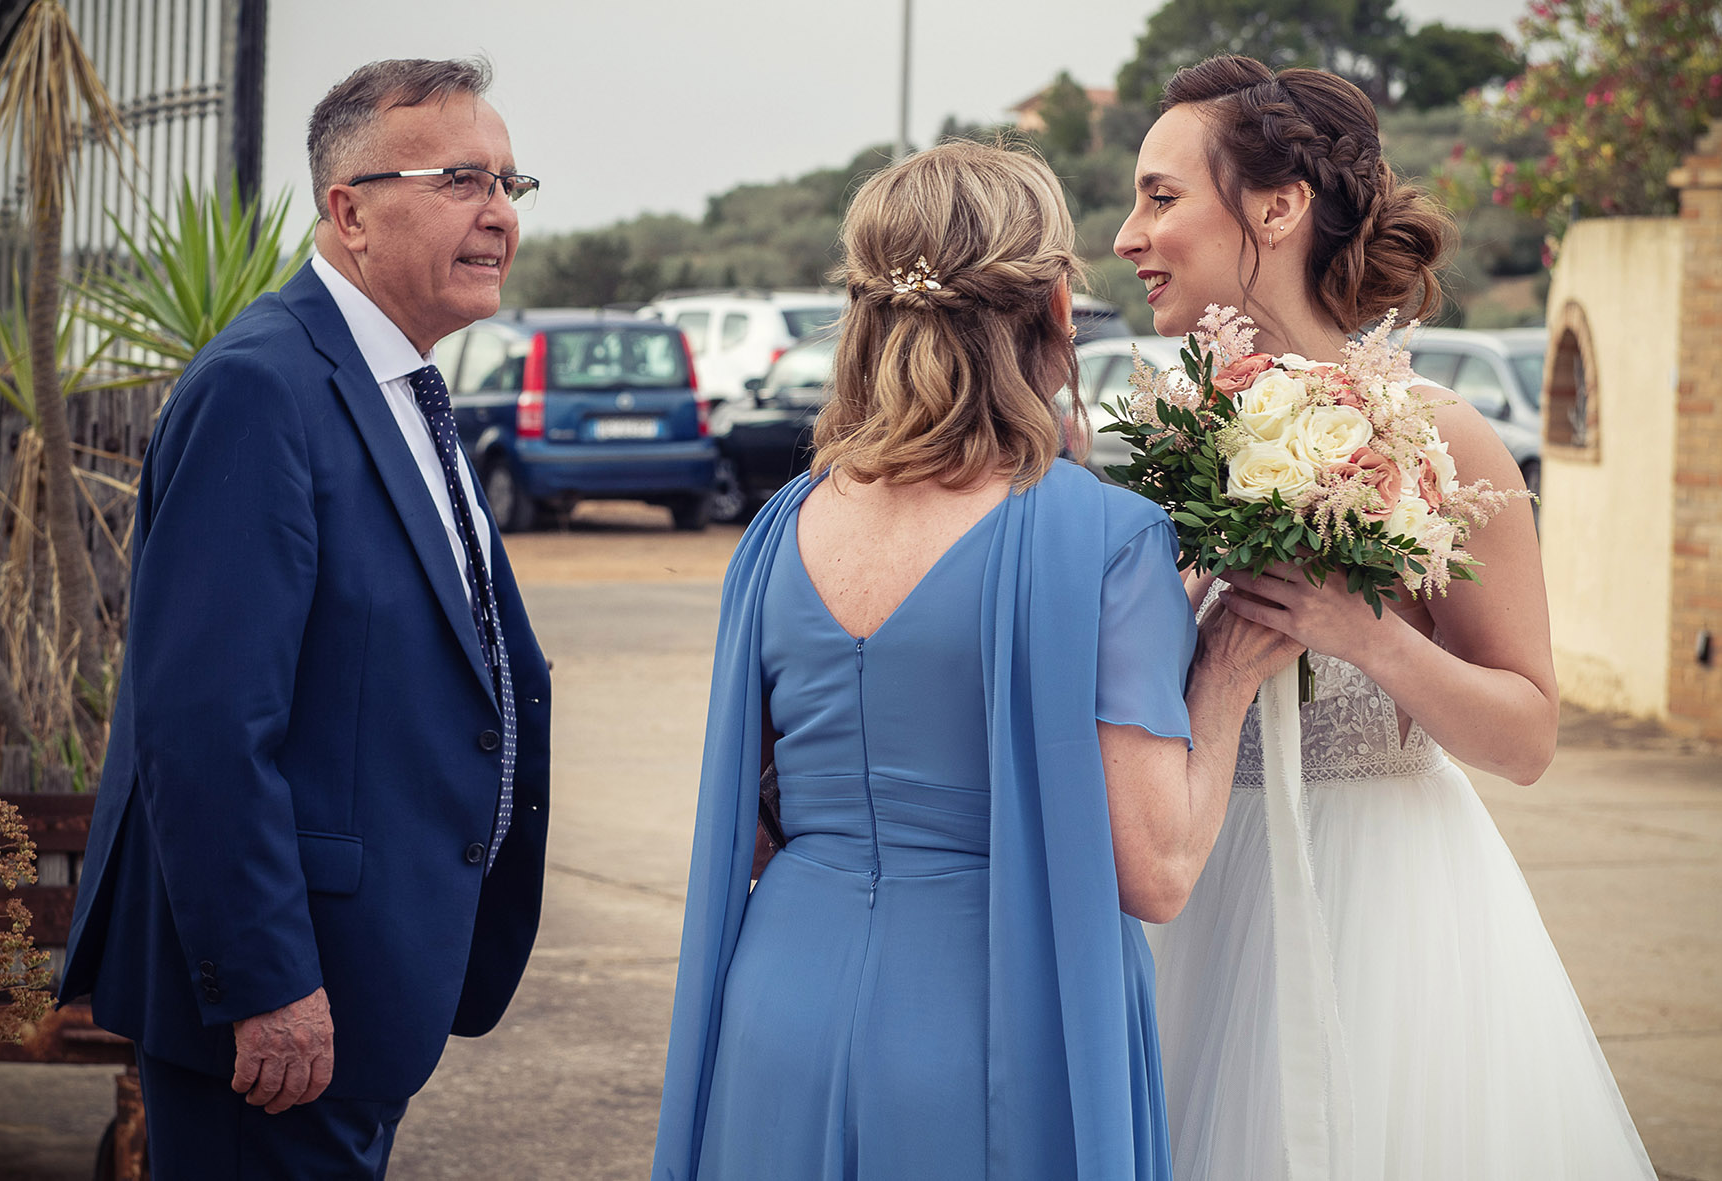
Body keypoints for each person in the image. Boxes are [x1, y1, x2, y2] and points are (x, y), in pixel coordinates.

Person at [650, 140, 1299, 1181]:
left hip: (778, 1007)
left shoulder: (777, 530)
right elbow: (1155, 870)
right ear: (1051, 308)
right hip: (995, 1020)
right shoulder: (1107, 537)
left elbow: (761, 813)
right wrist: (1222, 667)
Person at [1114, 54, 1656, 1180]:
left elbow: (1527, 736)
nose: (1126, 235)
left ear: (1277, 205)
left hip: (1392, 923)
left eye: (1160, 196)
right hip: (1191, 889)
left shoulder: (1440, 435)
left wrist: (1365, 634)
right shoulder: (1171, 438)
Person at [60, 58, 550, 1178]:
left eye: (511, 185)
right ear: (350, 209)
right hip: (283, 1012)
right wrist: (269, 978)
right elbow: (204, 726)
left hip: (371, 986)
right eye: (463, 180)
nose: (497, 215)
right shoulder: (261, 387)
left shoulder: (407, 389)